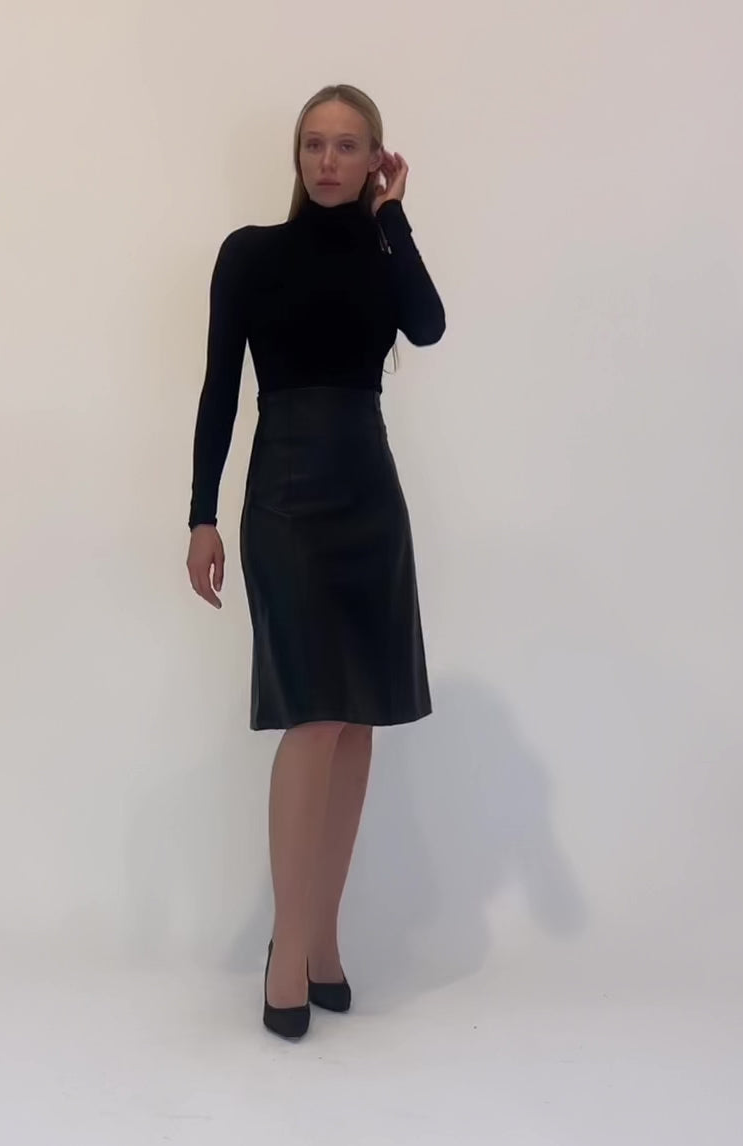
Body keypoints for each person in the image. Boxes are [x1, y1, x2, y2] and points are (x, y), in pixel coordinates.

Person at [186, 84, 445, 1039]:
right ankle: (287, 948)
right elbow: (221, 387)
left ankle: (324, 939)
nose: (327, 161)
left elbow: (428, 325)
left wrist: (395, 217)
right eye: (313, 145)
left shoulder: (383, 251)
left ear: (377, 159)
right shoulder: (251, 253)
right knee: (314, 713)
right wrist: (200, 515)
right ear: (297, 156)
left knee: (360, 716)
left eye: (347, 146)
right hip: (287, 495)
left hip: (370, 492)